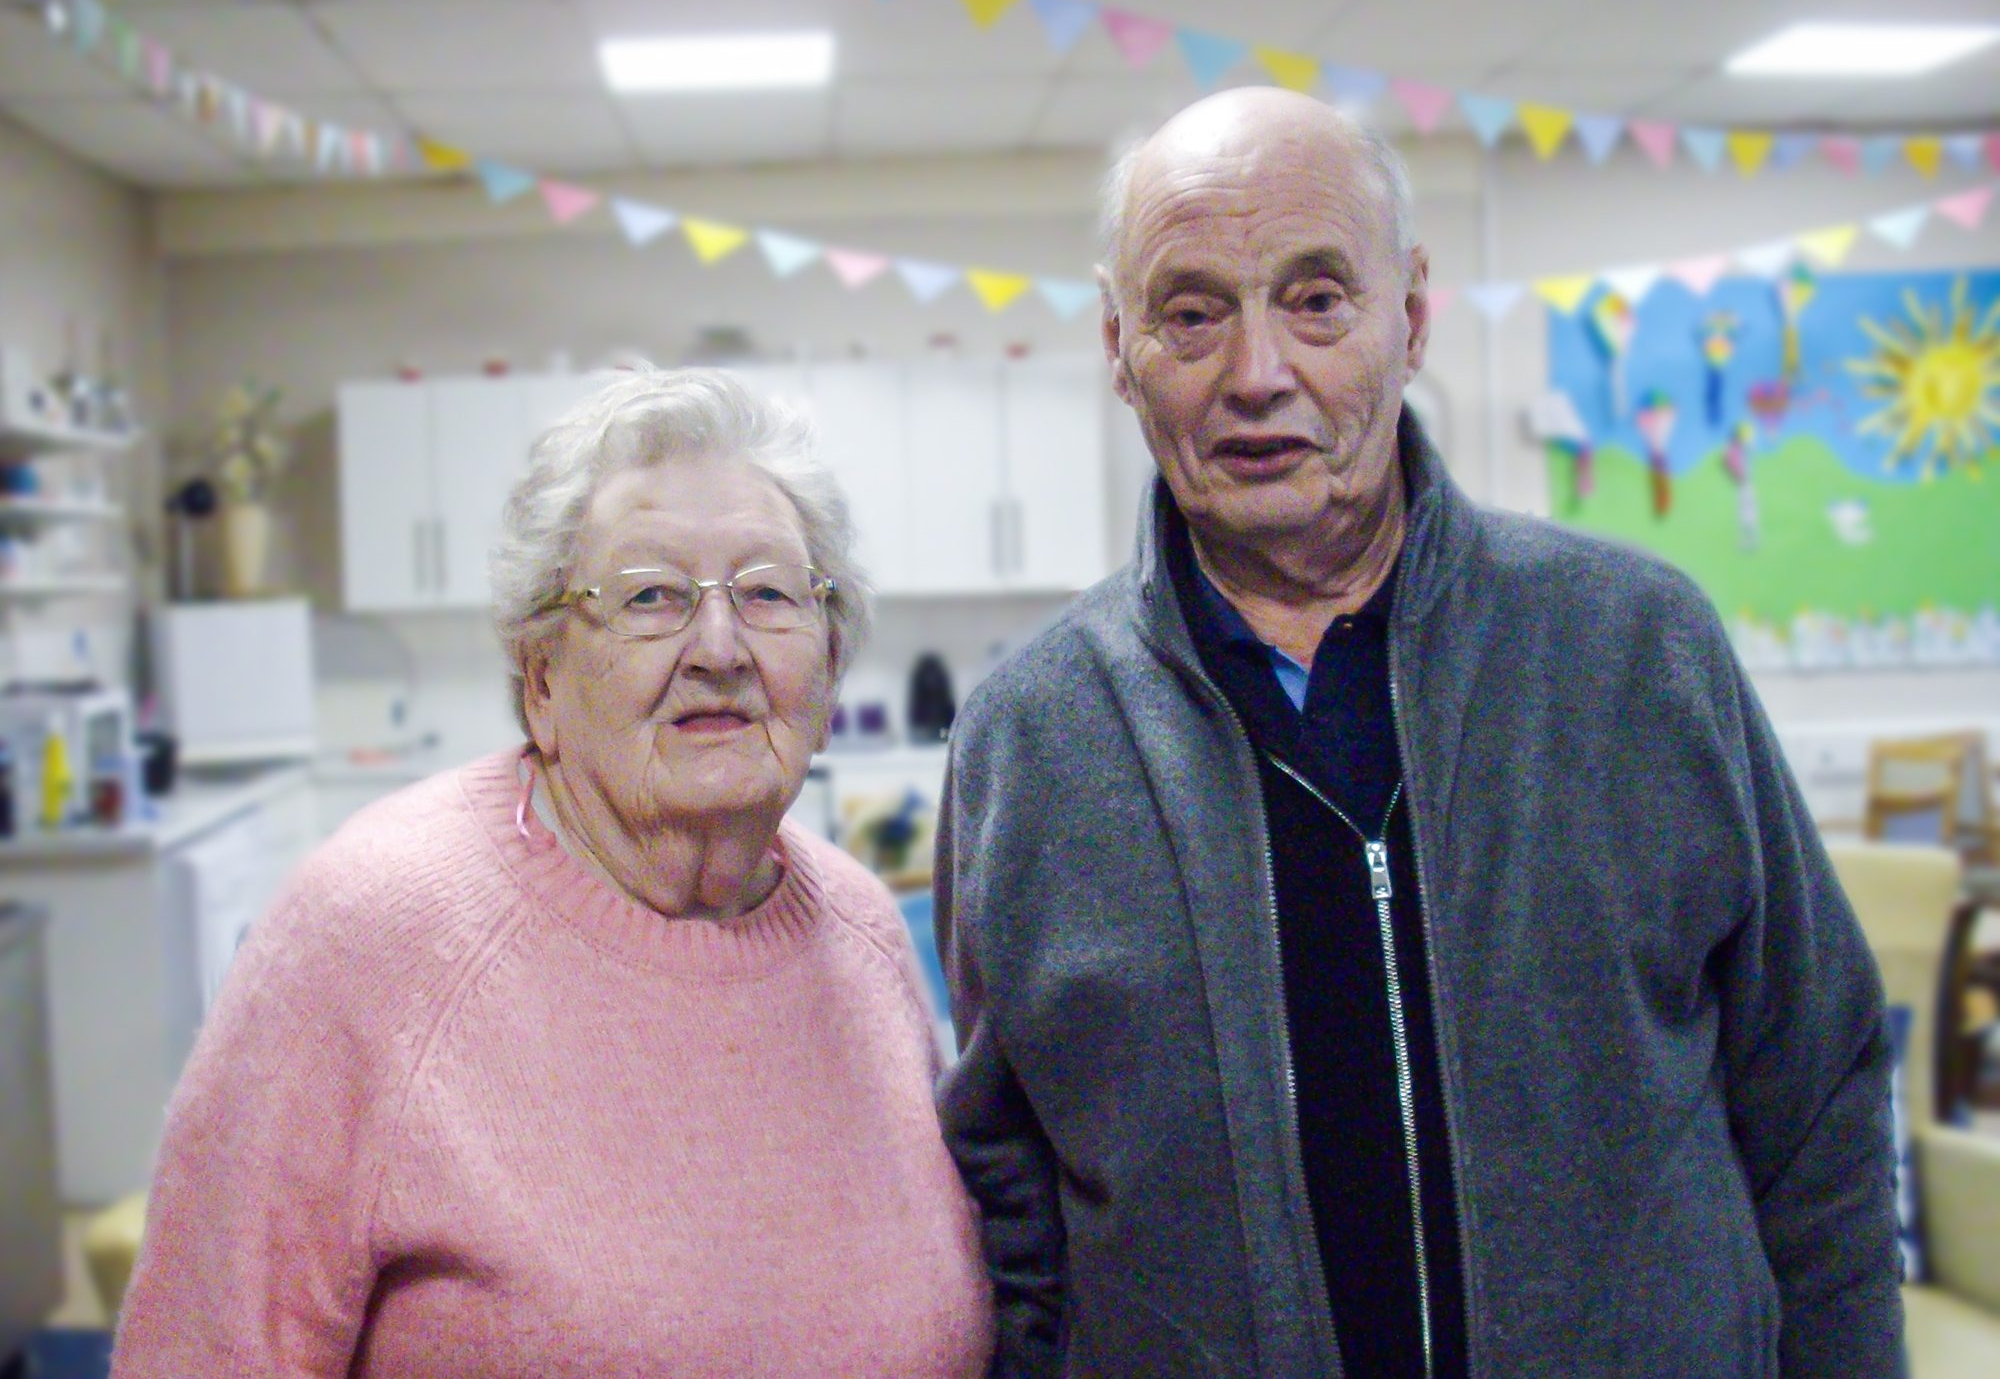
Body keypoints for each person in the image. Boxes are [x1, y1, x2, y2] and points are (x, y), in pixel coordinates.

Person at [934, 87, 1900, 1378]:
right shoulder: (1029, 741)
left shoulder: (1635, 649)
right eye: (1192, 312)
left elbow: (1818, 1101)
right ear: (1119, 348)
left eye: (1318, 297)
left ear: (1415, 315)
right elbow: (1014, 1208)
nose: (1258, 372)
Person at [113, 369, 994, 1378]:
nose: (720, 645)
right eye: (650, 596)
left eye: (766, 591)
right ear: (540, 679)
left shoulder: (864, 928)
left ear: (829, 664)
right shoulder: (366, 932)